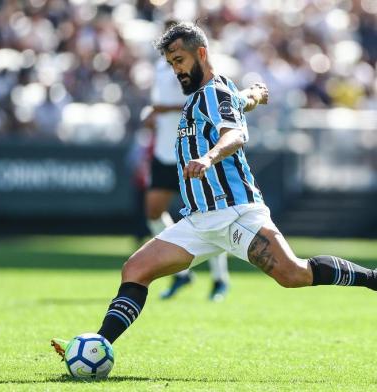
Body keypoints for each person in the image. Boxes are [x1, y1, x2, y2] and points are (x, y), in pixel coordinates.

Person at [51, 22, 377, 360]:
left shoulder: (213, 92)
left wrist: (208, 157)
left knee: (293, 274)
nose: (176, 70)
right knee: (135, 270)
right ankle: (97, 348)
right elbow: (239, 101)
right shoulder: (208, 94)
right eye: (171, 63)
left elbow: (235, 134)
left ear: (201, 53)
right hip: (199, 221)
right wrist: (253, 95)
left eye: (179, 60)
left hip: (236, 212)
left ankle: (372, 278)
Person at [145, 19, 230, 301]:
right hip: (165, 149)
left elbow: (202, 99)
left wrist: (163, 109)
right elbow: (160, 102)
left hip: (193, 148)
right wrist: (153, 114)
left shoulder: (196, 68)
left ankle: (219, 279)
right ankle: (182, 271)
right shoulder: (162, 67)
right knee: (154, 210)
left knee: (206, 215)